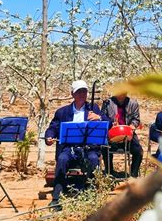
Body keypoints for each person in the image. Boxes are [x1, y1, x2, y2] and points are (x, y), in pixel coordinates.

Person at [45, 80, 109, 210]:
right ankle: (57, 198)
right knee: (62, 159)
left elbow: (109, 123)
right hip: (69, 148)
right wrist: (48, 137)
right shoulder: (62, 112)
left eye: (84, 91)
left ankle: (91, 194)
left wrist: (99, 118)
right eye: (78, 91)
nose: (82, 94)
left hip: (89, 147)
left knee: (93, 159)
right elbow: (52, 128)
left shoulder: (94, 108)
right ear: (72, 94)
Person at [101, 93, 143, 178]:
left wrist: (133, 125)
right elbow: (103, 117)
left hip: (128, 134)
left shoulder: (133, 103)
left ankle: (133, 175)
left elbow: (136, 119)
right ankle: (110, 172)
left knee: (139, 151)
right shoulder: (107, 103)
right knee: (104, 148)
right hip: (113, 133)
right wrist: (111, 124)